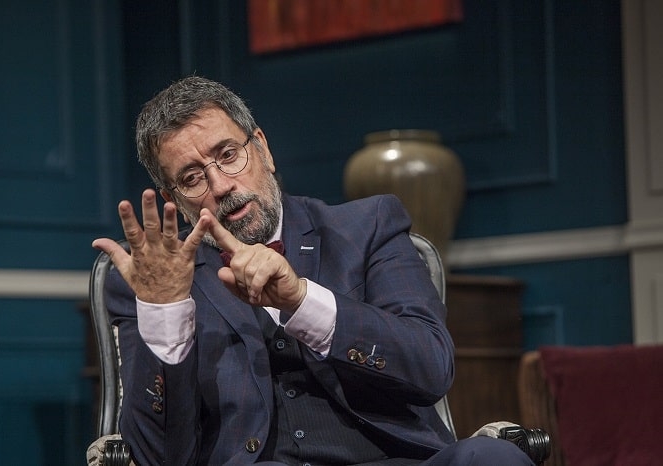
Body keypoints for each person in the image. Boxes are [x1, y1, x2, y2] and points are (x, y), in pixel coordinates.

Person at [92, 75, 534, 466]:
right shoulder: (155, 282)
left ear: (262, 148)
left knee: (493, 457)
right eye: (192, 178)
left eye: (228, 154)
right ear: (174, 200)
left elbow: (431, 368)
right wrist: (166, 311)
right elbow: (156, 457)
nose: (221, 185)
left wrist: (303, 300)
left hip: (394, 459)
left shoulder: (367, 227)